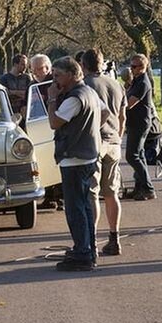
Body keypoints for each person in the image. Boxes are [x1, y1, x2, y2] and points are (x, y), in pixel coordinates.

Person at [47, 56, 108, 271]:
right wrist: (90, 131)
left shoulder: (74, 98)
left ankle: (83, 254)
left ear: (72, 75)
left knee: (75, 209)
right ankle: (88, 249)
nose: (54, 80)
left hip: (74, 159)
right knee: (85, 206)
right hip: (89, 155)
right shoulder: (89, 92)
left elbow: (54, 123)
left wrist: (51, 99)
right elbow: (105, 111)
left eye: (57, 75)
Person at [82, 48, 127, 256]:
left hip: (96, 142)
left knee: (92, 193)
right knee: (111, 193)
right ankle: (114, 237)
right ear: (102, 63)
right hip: (114, 141)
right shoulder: (116, 84)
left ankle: (91, 240)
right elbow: (122, 116)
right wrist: (118, 135)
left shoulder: (86, 85)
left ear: (84, 65)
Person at [29, 53, 62, 210]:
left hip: (57, 126)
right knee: (43, 161)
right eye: (33, 69)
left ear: (48, 67)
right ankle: (49, 196)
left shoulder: (56, 83)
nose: (36, 72)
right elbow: (27, 106)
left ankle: (60, 196)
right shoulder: (33, 86)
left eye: (39, 68)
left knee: (58, 161)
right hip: (41, 128)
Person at [125, 54, 156, 201]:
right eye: (130, 66)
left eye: (134, 66)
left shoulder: (143, 82)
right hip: (134, 122)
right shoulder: (136, 81)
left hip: (140, 123)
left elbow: (129, 103)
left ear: (143, 67)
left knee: (132, 156)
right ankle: (139, 188)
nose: (131, 69)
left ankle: (149, 188)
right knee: (140, 155)